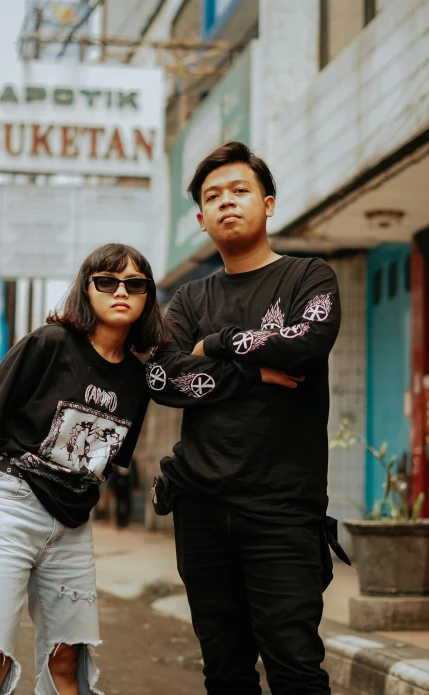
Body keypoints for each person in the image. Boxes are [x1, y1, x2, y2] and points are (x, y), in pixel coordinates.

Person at [145, 141, 342, 695]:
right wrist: (252, 372)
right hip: (201, 510)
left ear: (269, 203)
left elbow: (303, 348)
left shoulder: (310, 277)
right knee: (225, 673)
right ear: (202, 220)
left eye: (240, 191)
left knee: (296, 669)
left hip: (283, 511)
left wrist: (218, 343)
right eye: (213, 197)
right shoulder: (187, 299)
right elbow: (161, 378)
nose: (227, 203)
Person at [0, 243, 168, 695]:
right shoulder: (49, 343)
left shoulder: (137, 380)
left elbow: (100, 465)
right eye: (106, 281)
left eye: (134, 284)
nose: (120, 291)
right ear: (86, 290)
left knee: (68, 658)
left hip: (71, 525)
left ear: (147, 296)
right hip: (5, 504)